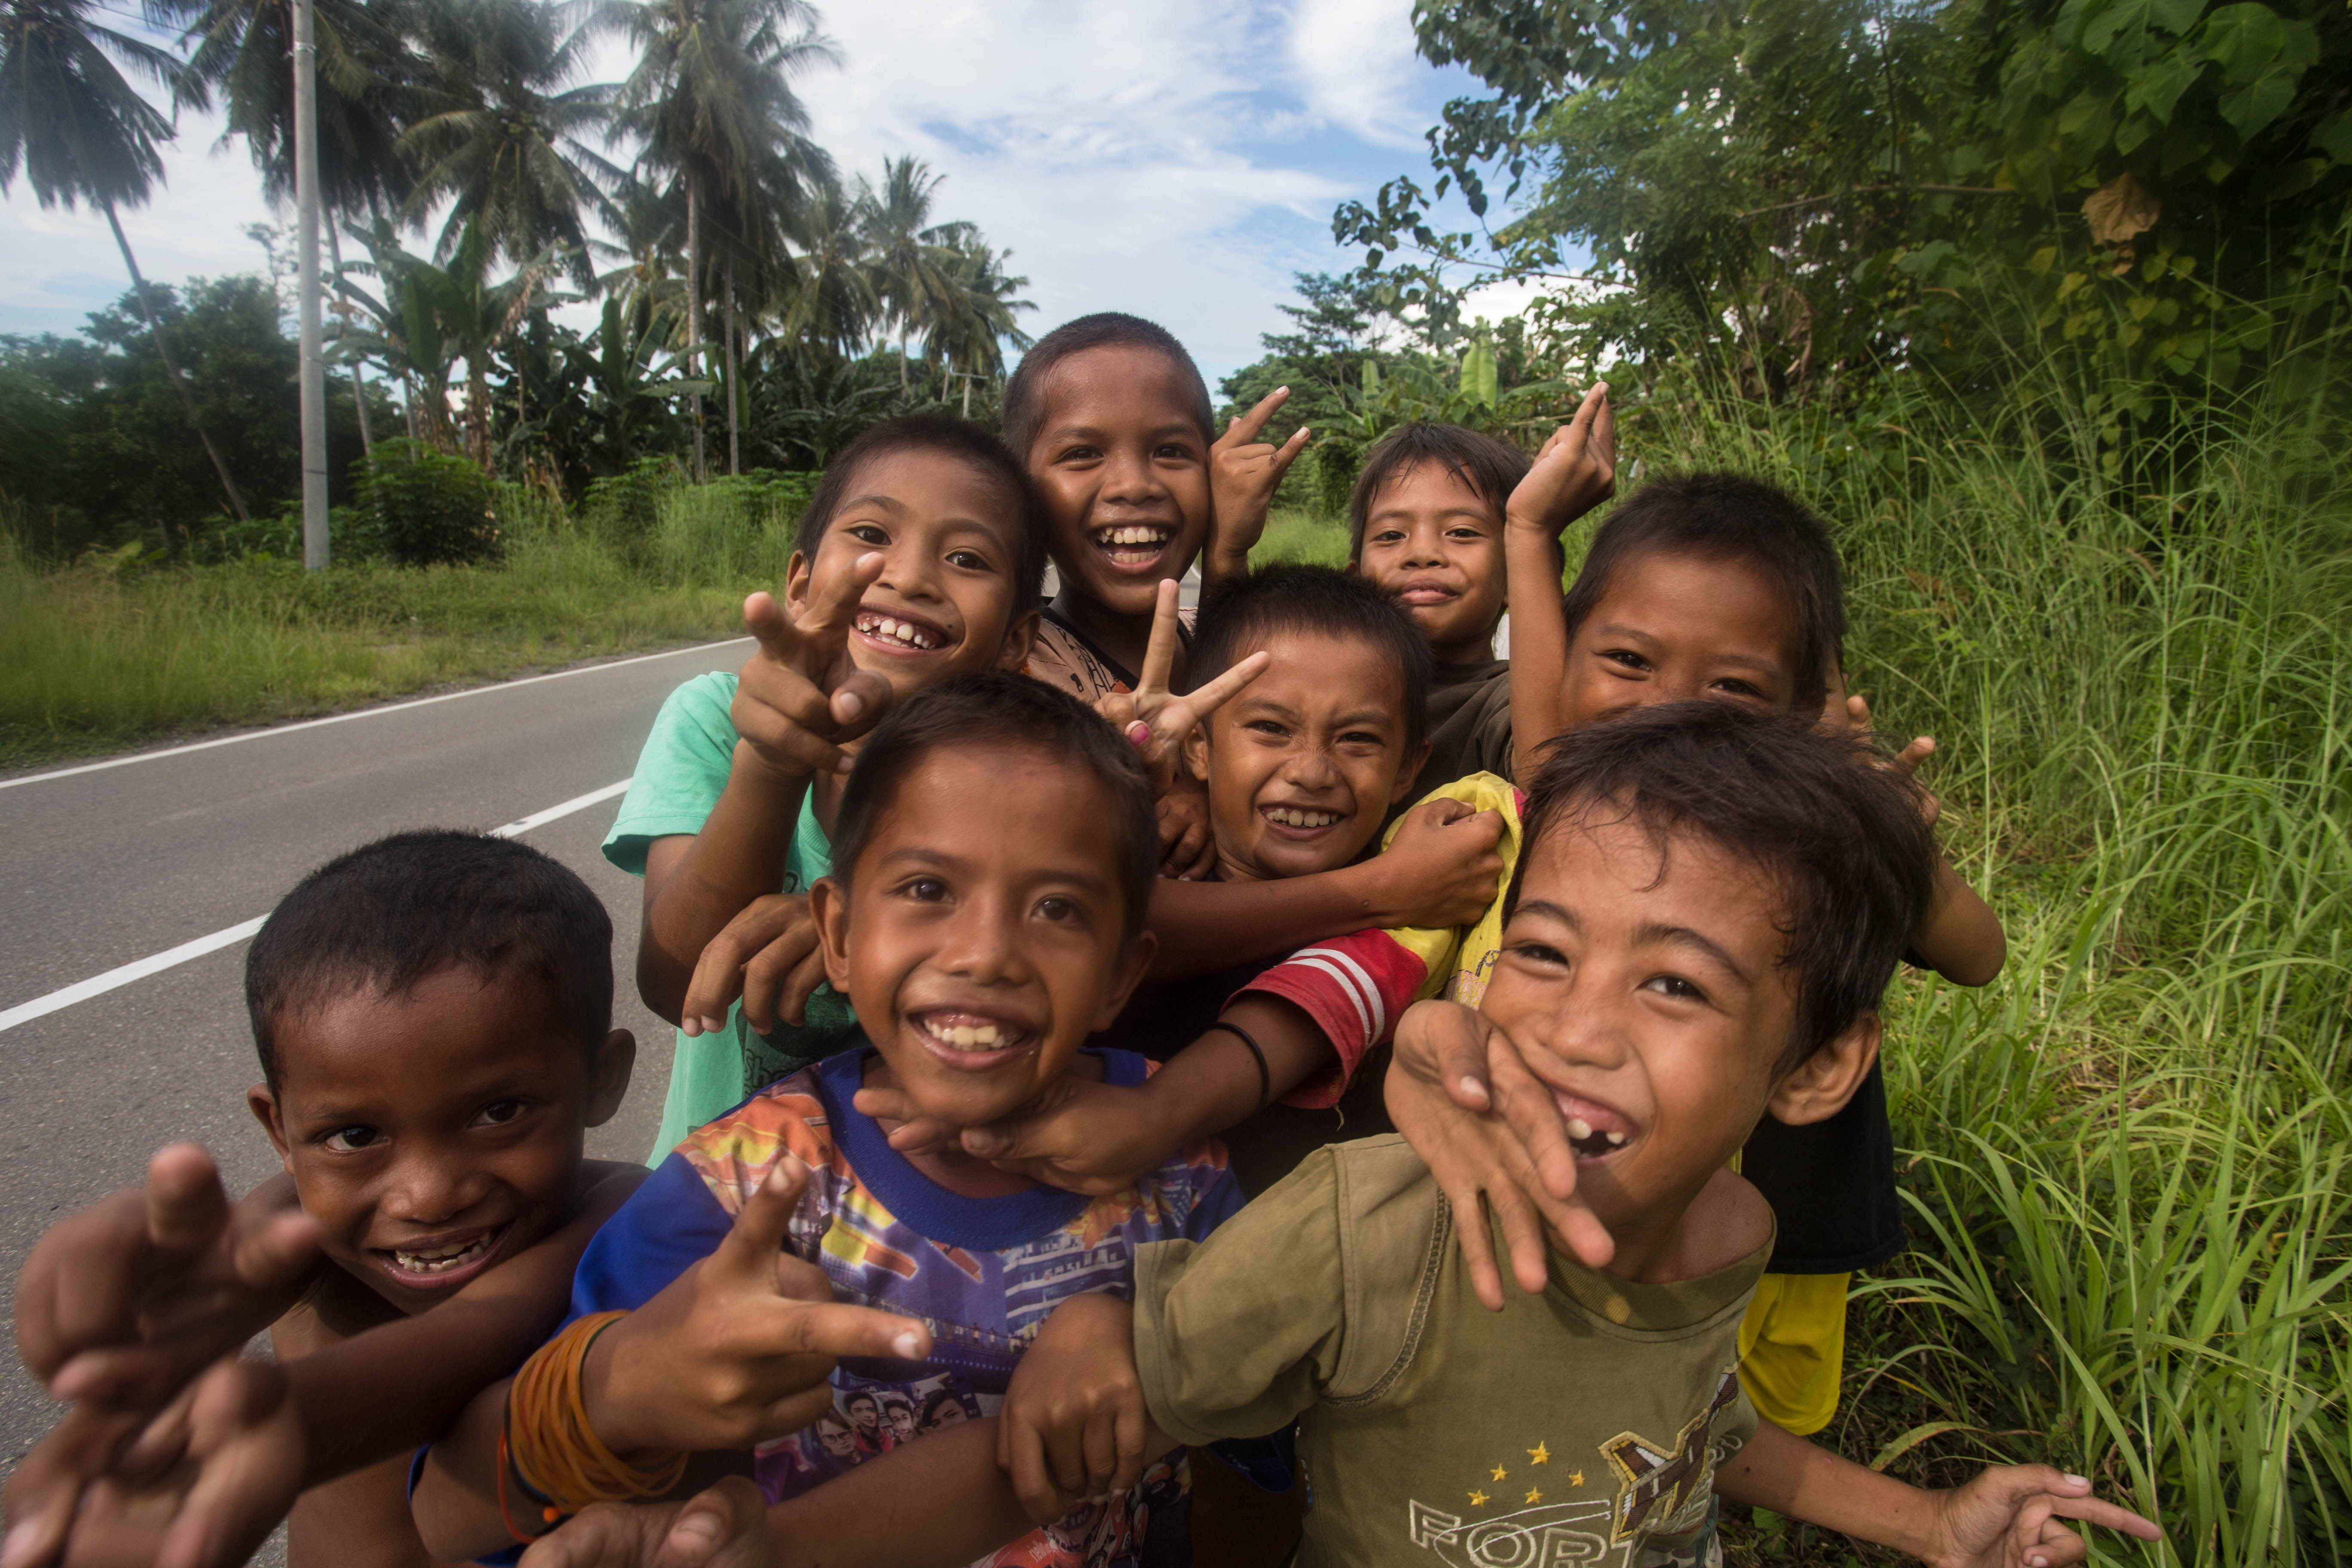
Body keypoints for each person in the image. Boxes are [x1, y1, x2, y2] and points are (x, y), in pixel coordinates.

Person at [995, 704, 2162, 1568]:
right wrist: (1102, 1328)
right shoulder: (1368, 1232)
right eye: (1544, 952)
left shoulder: (1729, 1223)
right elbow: (1118, 1398)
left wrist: (1927, 1524)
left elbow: (1684, 1426)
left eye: (1675, 986)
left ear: (1817, 1068)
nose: (1571, 1029)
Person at [411, 673, 1248, 1568]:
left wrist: (1145, 1343)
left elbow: (1247, 1481)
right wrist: (621, 1385)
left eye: (1057, 909)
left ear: (1121, 974)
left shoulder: (1181, 1173)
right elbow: (453, 1514)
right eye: (927, 888)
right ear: (839, 936)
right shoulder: (742, 1182)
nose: (986, 953)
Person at [6, 833, 649, 1568]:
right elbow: (224, 1275)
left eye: (499, 1113)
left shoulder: (623, 1209)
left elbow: (477, 1331)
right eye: (356, 1135)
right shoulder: (302, 1235)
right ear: (280, 1129)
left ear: (601, 1079)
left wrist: (274, 1426)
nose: (428, 1195)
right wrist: (155, 1316)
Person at [609, 415, 1051, 1159]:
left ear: (1015, 640)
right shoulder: (712, 718)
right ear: (800, 583)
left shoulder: (1019, 785)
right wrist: (770, 762)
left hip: (908, 1202)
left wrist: (858, 926)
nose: (908, 577)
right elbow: (676, 983)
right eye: (872, 535)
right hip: (705, 1196)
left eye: (966, 558)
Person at [1344, 419, 1564, 796]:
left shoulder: (1511, 701)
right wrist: (1234, 551)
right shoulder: (1325, 682)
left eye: (1461, 532)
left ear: (1518, 577)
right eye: (1391, 535)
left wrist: (1532, 530)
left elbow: (1549, 774)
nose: (1422, 554)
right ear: (1355, 580)